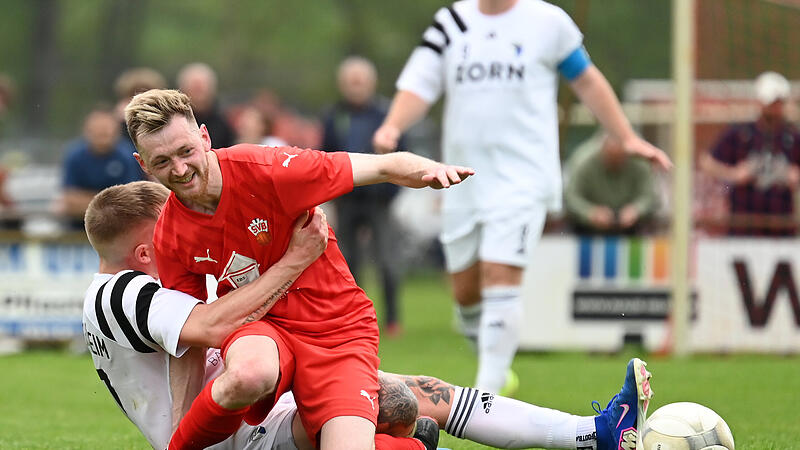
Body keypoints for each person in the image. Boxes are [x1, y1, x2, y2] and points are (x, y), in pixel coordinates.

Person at [84, 182, 653, 450]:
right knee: (399, 404)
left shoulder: (141, 288)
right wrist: (296, 260)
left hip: (255, 418)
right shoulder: (120, 295)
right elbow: (209, 327)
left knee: (418, 393)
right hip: (239, 436)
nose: (186, 234)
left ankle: (594, 434)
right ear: (141, 249)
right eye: (171, 229)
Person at [124, 89, 474, 450]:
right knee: (247, 374)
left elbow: (382, 166)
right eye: (163, 161)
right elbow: (191, 338)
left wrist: (431, 170)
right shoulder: (169, 235)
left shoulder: (271, 170)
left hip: (336, 329)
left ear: (205, 137)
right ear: (143, 165)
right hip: (262, 326)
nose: (180, 170)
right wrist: (180, 429)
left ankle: (415, 446)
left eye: (186, 152)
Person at [373, 0, 671, 396]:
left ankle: (486, 396)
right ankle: (491, 358)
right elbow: (420, 84)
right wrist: (392, 126)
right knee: (465, 291)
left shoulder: (547, 22)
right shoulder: (453, 21)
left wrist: (627, 135)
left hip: (524, 176)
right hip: (460, 176)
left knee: (501, 273)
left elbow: (587, 81)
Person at [322, 56, 405, 335]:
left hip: (379, 199)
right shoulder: (333, 115)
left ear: (371, 83)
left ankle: (393, 319)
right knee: (347, 262)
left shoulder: (386, 114)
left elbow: (401, 153)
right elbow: (325, 155)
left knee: (387, 260)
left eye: (360, 82)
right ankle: (354, 318)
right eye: (351, 82)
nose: (355, 87)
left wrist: (390, 191)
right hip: (346, 198)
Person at [700, 71, 800, 236]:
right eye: (771, 103)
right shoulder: (741, 133)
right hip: (743, 224)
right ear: (760, 102)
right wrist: (733, 174)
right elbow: (706, 161)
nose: (775, 109)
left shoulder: (792, 137)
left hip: (782, 226)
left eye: (779, 103)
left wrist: (795, 176)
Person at [57, 105, 145, 227]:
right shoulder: (74, 156)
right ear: (87, 131)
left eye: (106, 129)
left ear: (116, 131)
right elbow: (70, 201)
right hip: (78, 227)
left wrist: (84, 200)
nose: (103, 133)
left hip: (119, 227)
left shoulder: (128, 155)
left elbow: (129, 203)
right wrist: (110, 202)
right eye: (98, 130)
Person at [564, 134, 659, 234]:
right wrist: (590, 212)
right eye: (611, 157)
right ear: (602, 151)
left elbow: (650, 195)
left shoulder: (641, 162)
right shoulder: (582, 161)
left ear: (627, 154)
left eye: (619, 158)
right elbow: (571, 197)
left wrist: (636, 210)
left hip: (633, 229)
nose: (615, 162)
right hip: (587, 230)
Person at [177, 62, 236, 149]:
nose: (199, 93)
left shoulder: (223, 123)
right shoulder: (176, 122)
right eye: (195, 88)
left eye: (201, 87)